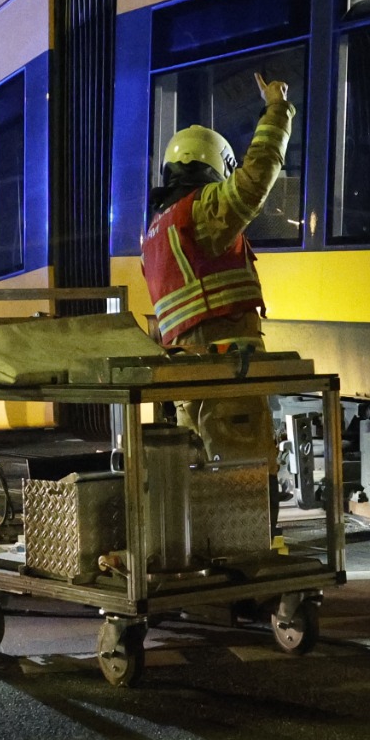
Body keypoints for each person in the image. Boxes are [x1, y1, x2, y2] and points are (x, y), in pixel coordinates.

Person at [139, 73, 293, 466]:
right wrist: (276, 111)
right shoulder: (202, 211)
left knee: (204, 470)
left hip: (190, 372)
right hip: (227, 367)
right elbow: (255, 179)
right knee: (245, 471)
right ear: (217, 166)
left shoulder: (157, 230)